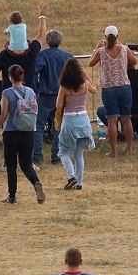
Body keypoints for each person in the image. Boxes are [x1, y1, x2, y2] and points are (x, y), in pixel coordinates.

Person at [0, 65, 45, 205]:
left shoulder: (7, 93)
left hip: (11, 131)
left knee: (11, 165)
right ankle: (36, 182)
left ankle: (12, 196)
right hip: (28, 131)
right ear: (22, 76)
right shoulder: (31, 92)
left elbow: (4, 114)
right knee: (27, 164)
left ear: (10, 77)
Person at [89, 26, 137, 157]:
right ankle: (129, 148)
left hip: (109, 88)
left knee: (112, 121)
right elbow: (134, 61)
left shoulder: (101, 51)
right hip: (124, 87)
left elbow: (90, 63)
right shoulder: (124, 49)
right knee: (127, 119)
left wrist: (97, 47)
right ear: (117, 36)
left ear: (105, 37)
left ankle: (114, 151)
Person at [56, 58, 97, 187]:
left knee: (63, 152)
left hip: (70, 120)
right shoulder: (84, 84)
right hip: (84, 119)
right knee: (79, 154)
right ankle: (79, 183)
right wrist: (86, 76)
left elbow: (58, 105)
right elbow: (95, 89)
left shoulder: (64, 87)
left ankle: (71, 175)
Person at [34, 30, 72, 165]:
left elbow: (35, 71)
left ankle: (37, 155)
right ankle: (56, 154)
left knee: (38, 125)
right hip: (62, 95)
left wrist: (38, 86)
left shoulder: (42, 55)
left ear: (48, 41)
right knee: (58, 125)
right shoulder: (67, 56)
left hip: (45, 95)